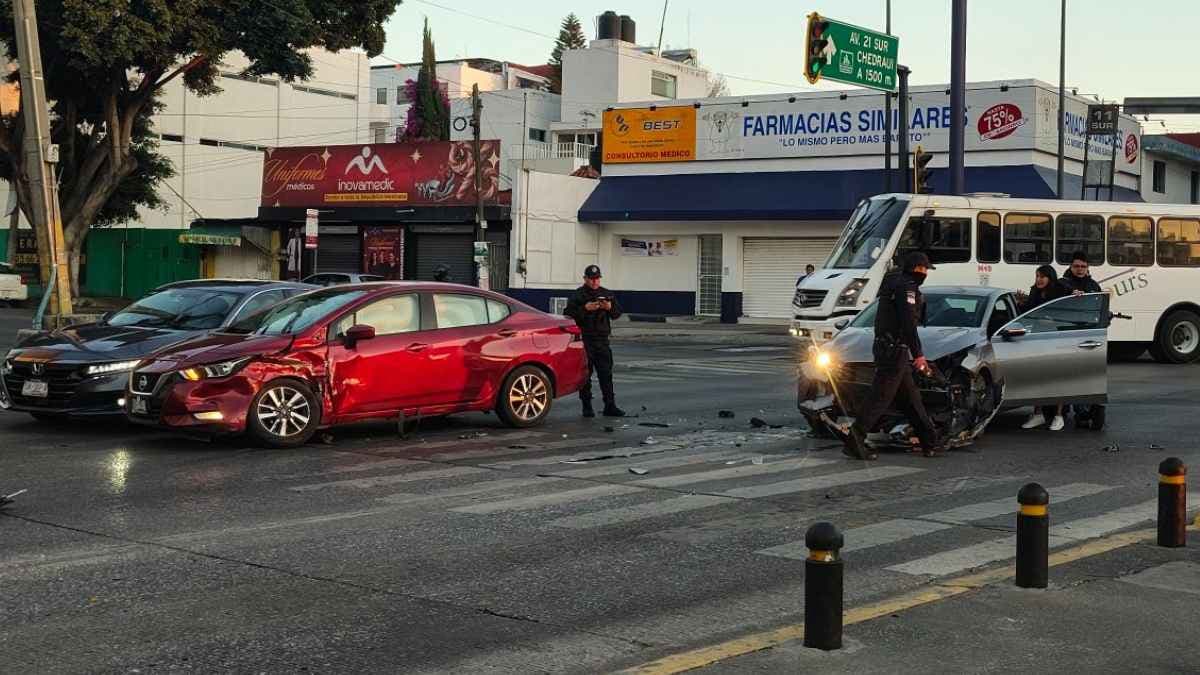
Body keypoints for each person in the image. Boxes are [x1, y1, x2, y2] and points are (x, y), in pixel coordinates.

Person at [842, 252, 942, 460]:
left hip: (891, 349)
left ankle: (929, 440)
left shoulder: (894, 283)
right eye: (924, 269)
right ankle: (855, 439)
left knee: (911, 399)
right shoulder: (907, 287)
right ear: (917, 268)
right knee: (880, 397)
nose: (926, 273)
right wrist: (919, 355)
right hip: (894, 350)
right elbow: (907, 323)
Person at [564, 265, 625, 418]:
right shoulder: (578, 295)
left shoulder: (606, 294)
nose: (594, 281)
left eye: (597, 278)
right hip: (585, 340)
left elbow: (617, 314)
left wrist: (609, 307)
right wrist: (585, 308)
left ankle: (610, 405)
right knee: (586, 375)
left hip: (602, 340)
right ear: (585, 279)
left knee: (606, 374)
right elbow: (568, 315)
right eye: (591, 279)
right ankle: (587, 406)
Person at [1019, 264, 1070, 431]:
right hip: (1038, 340)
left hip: (1058, 340)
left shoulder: (1061, 291)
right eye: (1037, 276)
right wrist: (1020, 303)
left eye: (1042, 276)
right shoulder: (1034, 292)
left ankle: (1058, 416)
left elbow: (1066, 315)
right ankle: (1038, 414)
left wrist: (1052, 321)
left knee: (1058, 378)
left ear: (1050, 277)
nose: (1039, 280)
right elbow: (1028, 313)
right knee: (1038, 378)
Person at [1060, 252, 1106, 430]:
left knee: (1085, 375)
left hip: (1088, 336)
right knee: (1065, 374)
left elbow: (1100, 307)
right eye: (1076, 266)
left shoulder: (1094, 286)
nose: (1080, 270)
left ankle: (1083, 412)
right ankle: (1061, 409)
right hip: (1065, 335)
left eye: (1083, 266)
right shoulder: (1063, 283)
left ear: (1088, 268)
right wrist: (1070, 294)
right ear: (1071, 267)